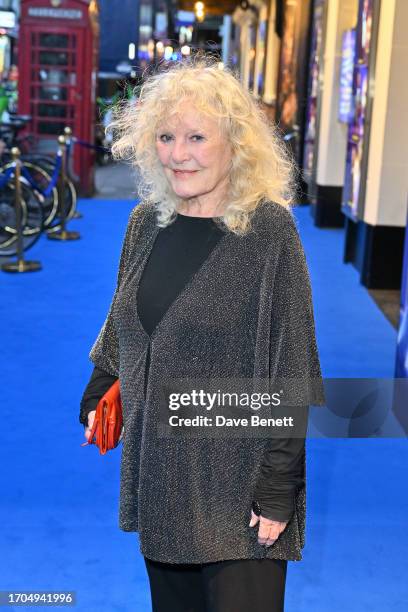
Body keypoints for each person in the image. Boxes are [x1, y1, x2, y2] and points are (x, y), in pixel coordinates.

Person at [79, 55, 324, 612]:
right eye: (165, 136)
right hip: (164, 479)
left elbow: (292, 365)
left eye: (196, 136)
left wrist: (278, 488)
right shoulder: (147, 220)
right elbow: (125, 321)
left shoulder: (269, 231)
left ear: (235, 143)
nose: (178, 154)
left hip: (239, 493)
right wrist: (100, 387)